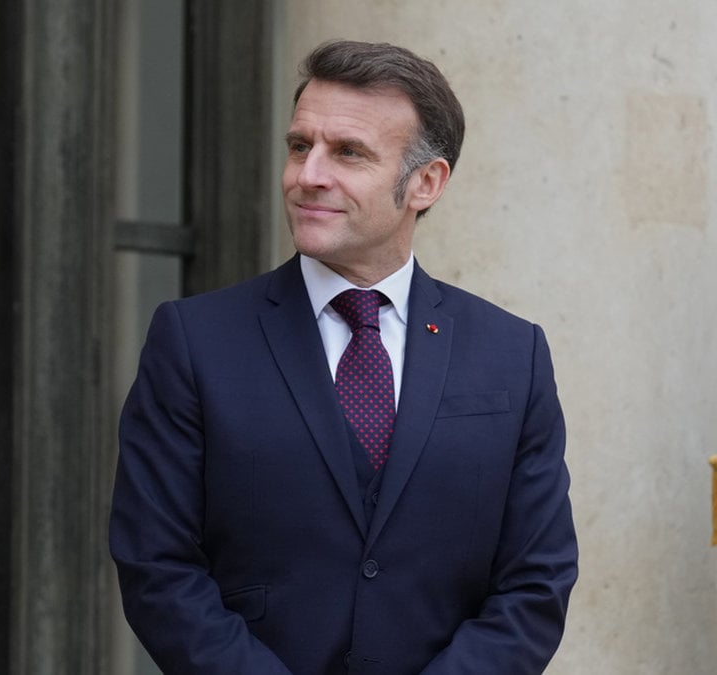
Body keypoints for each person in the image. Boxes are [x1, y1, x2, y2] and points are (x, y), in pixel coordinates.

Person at [109, 40, 578, 674]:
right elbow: (157, 565)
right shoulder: (193, 340)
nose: (308, 175)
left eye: (348, 152)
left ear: (426, 183)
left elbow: (536, 581)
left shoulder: (512, 354)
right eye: (300, 145)